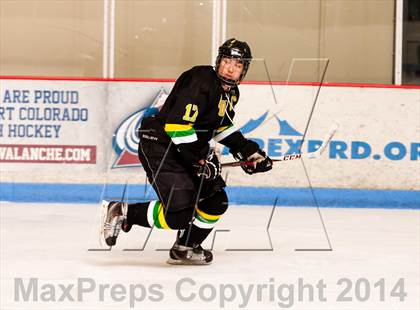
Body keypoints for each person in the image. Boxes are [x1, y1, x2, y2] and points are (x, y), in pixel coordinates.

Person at [101, 38, 273, 265]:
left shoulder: (231, 93)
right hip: (160, 145)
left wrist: (250, 152)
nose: (231, 68)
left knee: (215, 202)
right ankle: (122, 211)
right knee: (179, 214)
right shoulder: (200, 80)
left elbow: (220, 127)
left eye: (238, 65)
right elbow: (177, 126)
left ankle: (185, 247)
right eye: (228, 61)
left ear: (244, 70)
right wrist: (202, 160)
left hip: (187, 149)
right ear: (219, 61)